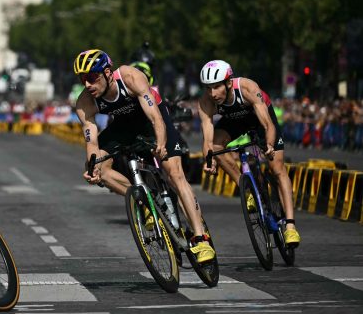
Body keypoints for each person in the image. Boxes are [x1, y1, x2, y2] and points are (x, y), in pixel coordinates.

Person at [73, 49, 215, 263]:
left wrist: (160, 144)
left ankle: (201, 238)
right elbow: (91, 141)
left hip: (152, 120)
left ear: (108, 72)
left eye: (92, 78)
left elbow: (156, 117)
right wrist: (93, 167)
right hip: (123, 126)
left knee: (174, 174)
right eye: (82, 79)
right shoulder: (85, 102)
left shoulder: (130, 77)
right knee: (97, 168)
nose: (87, 85)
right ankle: (143, 201)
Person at [197, 60, 300, 246]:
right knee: (217, 147)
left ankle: (291, 226)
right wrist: (209, 160)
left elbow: (268, 124)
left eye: (217, 87)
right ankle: (246, 189)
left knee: (277, 168)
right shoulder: (205, 101)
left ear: (228, 83)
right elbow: (208, 139)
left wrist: (269, 144)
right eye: (208, 88)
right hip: (235, 121)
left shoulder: (247, 88)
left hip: (259, 118)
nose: (212, 93)